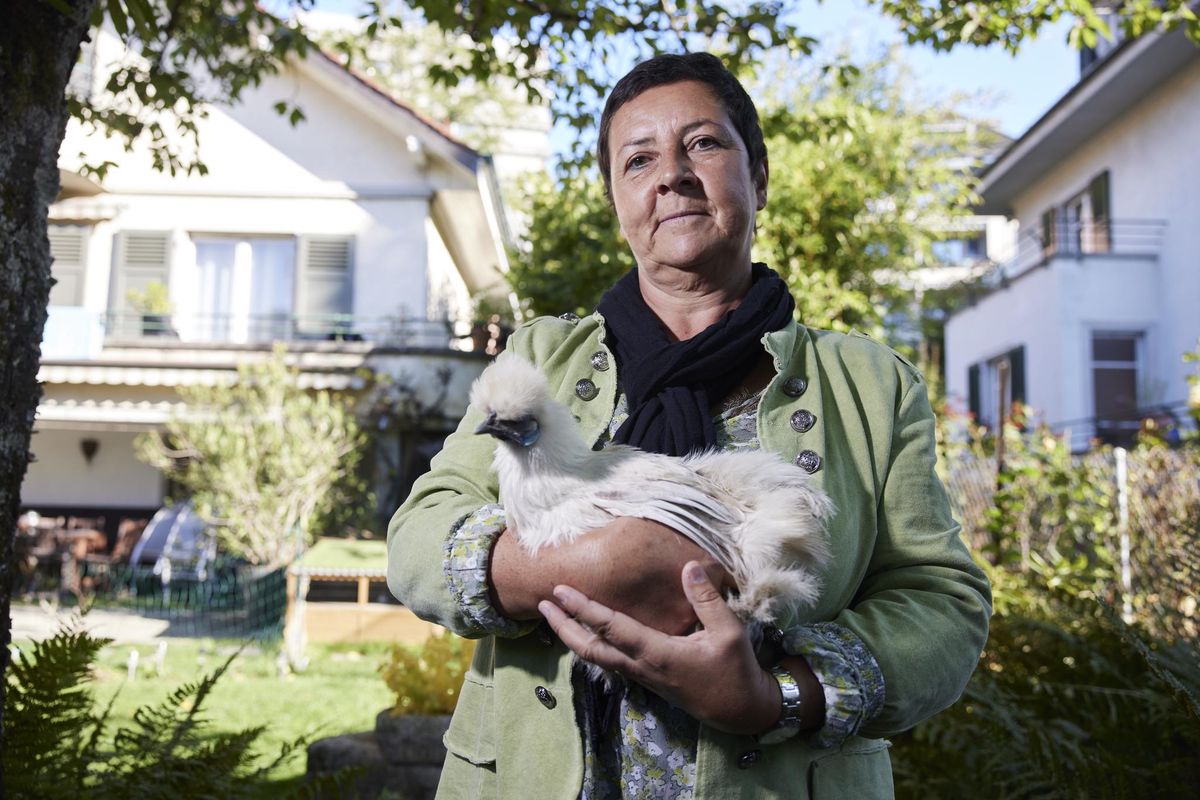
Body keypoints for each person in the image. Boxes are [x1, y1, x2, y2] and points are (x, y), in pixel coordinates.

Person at [388, 52, 991, 800]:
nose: (671, 174)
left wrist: (779, 697)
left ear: (759, 177)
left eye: (703, 144)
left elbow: (940, 601)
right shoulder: (538, 360)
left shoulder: (869, 386)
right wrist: (582, 564)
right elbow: (417, 537)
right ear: (618, 200)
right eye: (637, 159)